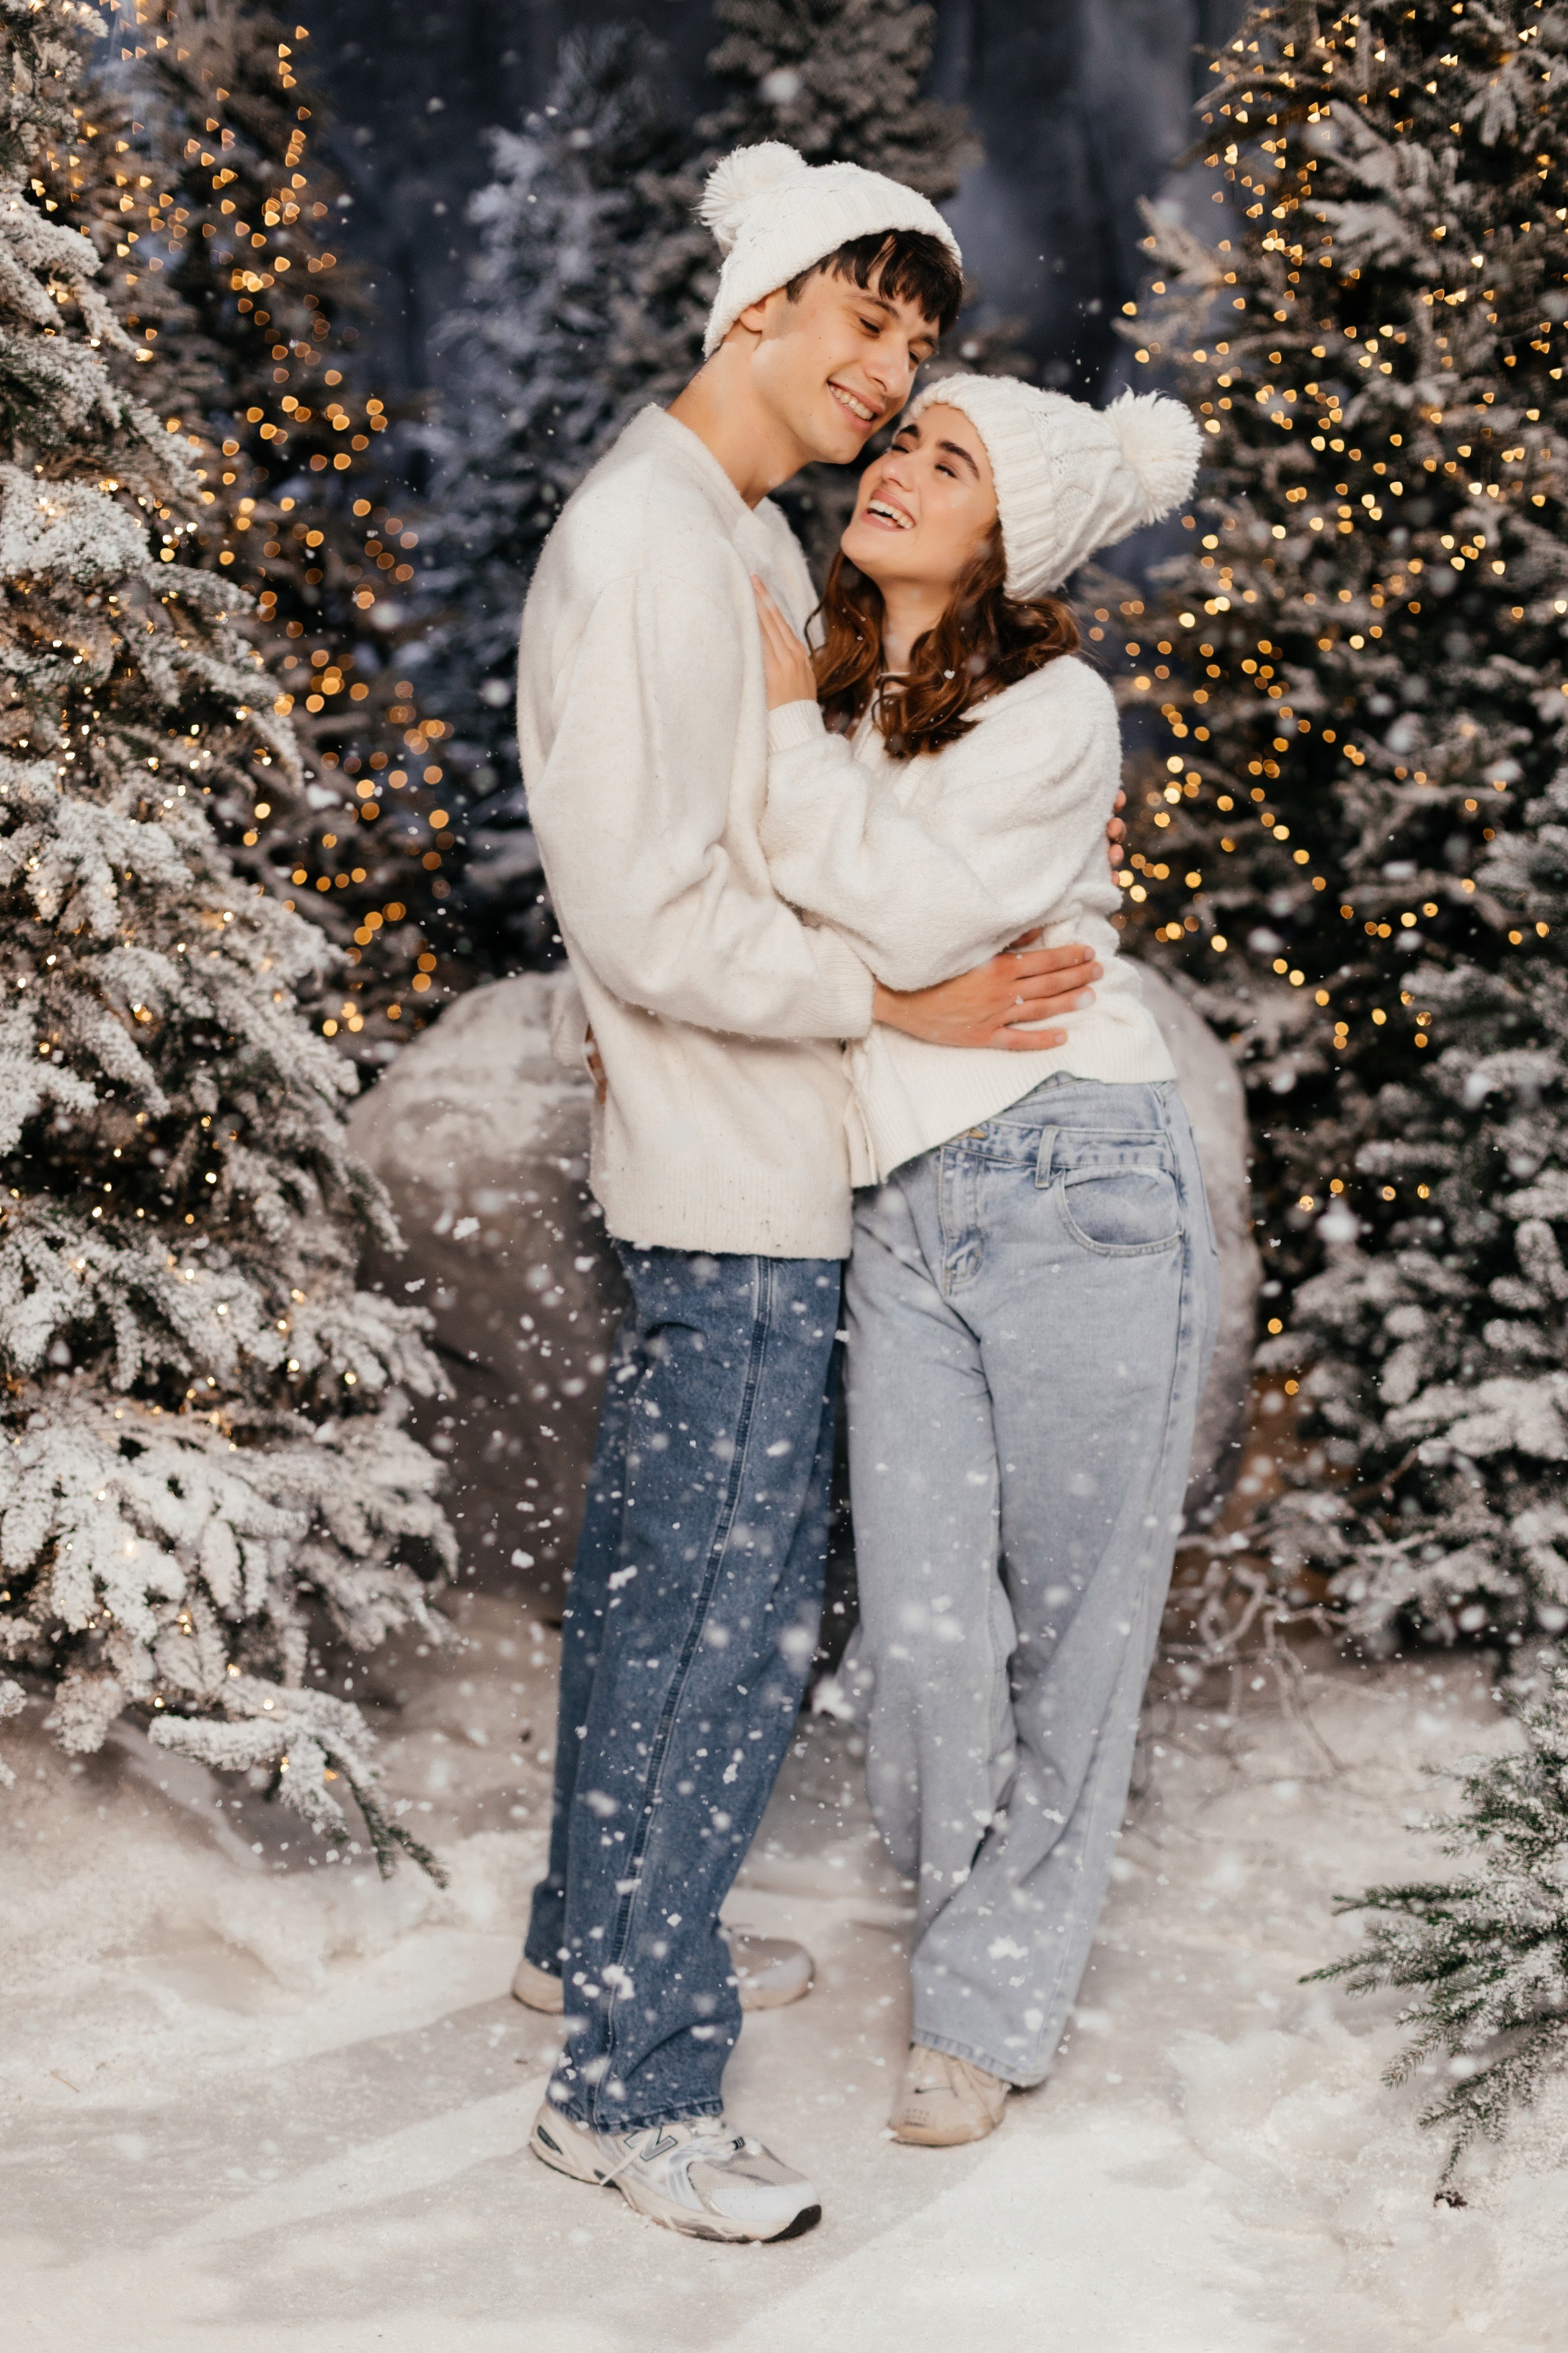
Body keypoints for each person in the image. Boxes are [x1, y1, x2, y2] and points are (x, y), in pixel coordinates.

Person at [511, 144, 1105, 2244]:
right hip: (740, 1171)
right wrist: (900, 1002)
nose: (890, 370)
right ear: (757, 304)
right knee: (721, 1627)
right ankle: (635, 2078)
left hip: (752, 1150)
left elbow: (741, 834)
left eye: (923, 339)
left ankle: (591, 1933)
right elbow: (650, 905)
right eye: (865, 321)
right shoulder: (657, 546)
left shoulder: (736, 529)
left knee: (660, 1583)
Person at [749, 371, 1218, 2151]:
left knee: (1075, 1634)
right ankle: (973, 1917)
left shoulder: (1054, 709)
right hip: (897, 1202)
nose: (896, 465)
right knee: (935, 1634)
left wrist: (818, 818)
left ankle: (988, 1996)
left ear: (1009, 532)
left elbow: (918, 911)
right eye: (898, 438)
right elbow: (821, 907)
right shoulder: (833, 685)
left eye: (950, 460)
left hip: (1074, 1171)